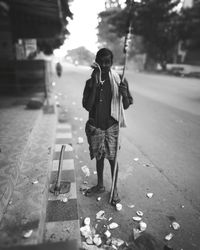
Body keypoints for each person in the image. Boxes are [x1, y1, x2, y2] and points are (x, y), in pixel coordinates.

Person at [82, 48, 133, 206]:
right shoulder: (90, 82)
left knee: (112, 159)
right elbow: (87, 106)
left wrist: (124, 94)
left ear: (112, 63)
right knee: (99, 157)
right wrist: (96, 86)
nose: (104, 65)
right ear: (96, 62)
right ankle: (100, 185)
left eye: (108, 62)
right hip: (96, 127)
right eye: (101, 62)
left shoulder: (119, 80)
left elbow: (126, 104)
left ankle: (114, 189)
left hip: (111, 127)